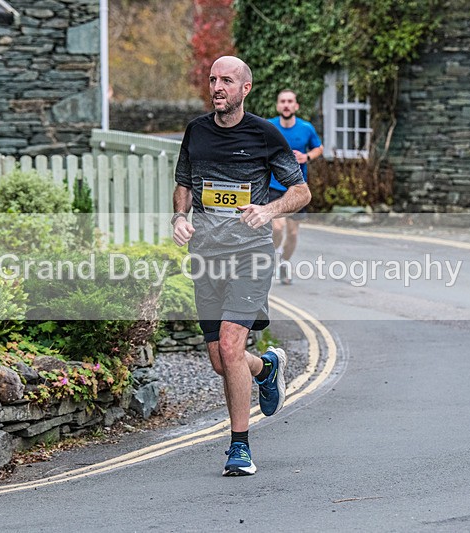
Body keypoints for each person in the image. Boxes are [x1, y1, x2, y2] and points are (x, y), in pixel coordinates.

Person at [171, 56, 311, 476]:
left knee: (231, 347)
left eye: (227, 80)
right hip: (206, 258)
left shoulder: (264, 135)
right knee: (221, 360)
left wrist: (268, 211)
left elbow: (300, 192)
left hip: (250, 255)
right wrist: (180, 217)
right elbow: (183, 184)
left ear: (245, 89)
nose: (217, 86)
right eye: (213, 79)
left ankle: (239, 447)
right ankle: (266, 367)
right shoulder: (196, 131)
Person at [268, 89, 323, 285]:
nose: (286, 104)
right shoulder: (269, 127)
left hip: (297, 188)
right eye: (282, 101)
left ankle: (284, 262)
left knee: (292, 233)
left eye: (290, 101)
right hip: (273, 186)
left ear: (296, 106)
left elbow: (319, 148)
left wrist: (307, 157)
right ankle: (272, 257)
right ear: (278, 106)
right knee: (277, 227)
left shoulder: (306, 128)